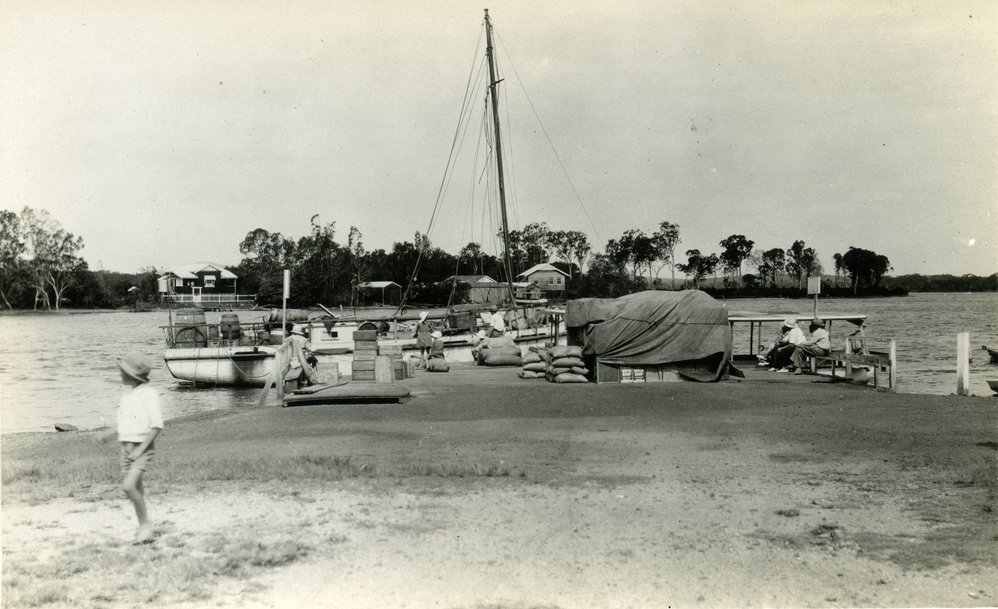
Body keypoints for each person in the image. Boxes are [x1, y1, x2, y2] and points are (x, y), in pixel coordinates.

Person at [116, 352, 163, 544]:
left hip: (141, 448)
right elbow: (122, 424)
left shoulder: (149, 394)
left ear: (132, 374)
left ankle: (145, 526)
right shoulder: (127, 396)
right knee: (136, 489)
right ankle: (143, 526)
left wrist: (140, 450)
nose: (120, 374)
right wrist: (106, 435)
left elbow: (156, 426)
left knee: (128, 487)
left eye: (122, 371)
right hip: (126, 449)